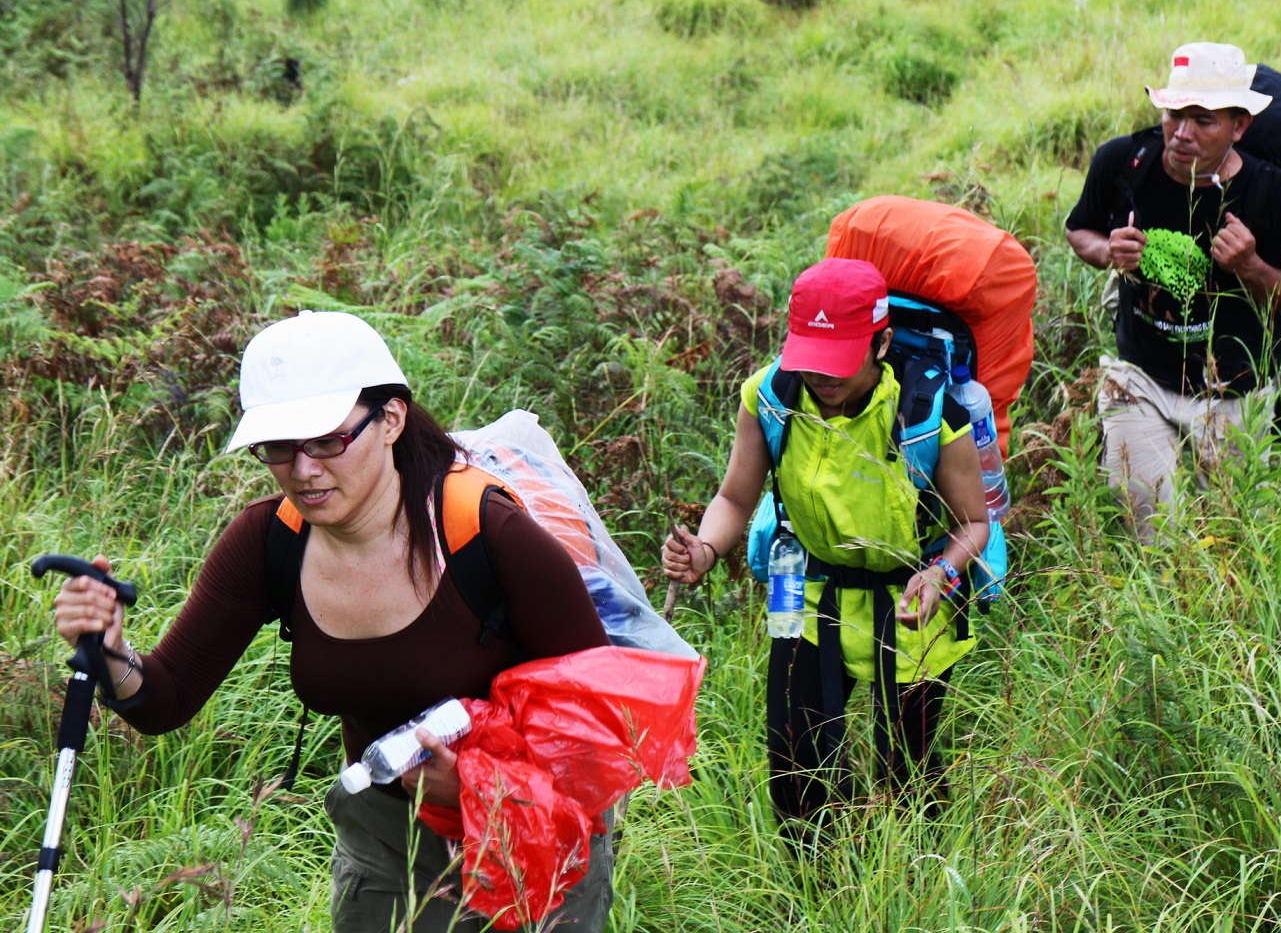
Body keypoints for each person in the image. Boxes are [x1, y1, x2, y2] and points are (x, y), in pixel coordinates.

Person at [51, 310, 615, 933]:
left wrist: (478, 790)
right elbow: (165, 698)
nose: (304, 469)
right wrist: (109, 651)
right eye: (279, 447)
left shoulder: (489, 534)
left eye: (327, 440)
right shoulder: (269, 541)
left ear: (391, 419)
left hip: (532, 825)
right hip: (385, 832)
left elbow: (602, 724)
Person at [661, 258, 990, 829]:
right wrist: (706, 551)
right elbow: (735, 499)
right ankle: (816, 882)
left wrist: (942, 573)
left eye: (838, 363)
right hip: (799, 578)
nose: (822, 378)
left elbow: (973, 524)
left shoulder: (930, 413)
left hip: (911, 590)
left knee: (908, 766)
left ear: (882, 343)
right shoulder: (772, 397)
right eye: (812, 361)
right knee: (794, 756)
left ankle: (916, 880)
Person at [1064, 41, 1281, 542]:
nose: (1182, 133)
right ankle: (1159, 607)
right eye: (1174, 113)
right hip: (1142, 377)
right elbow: (1080, 230)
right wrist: (1107, 252)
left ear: (1239, 125)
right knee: (1149, 521)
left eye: (1203, 120)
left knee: (1231, 533)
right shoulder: (1124, 162)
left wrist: (1250, 266)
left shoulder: (1271, 193)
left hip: (1234, 391)